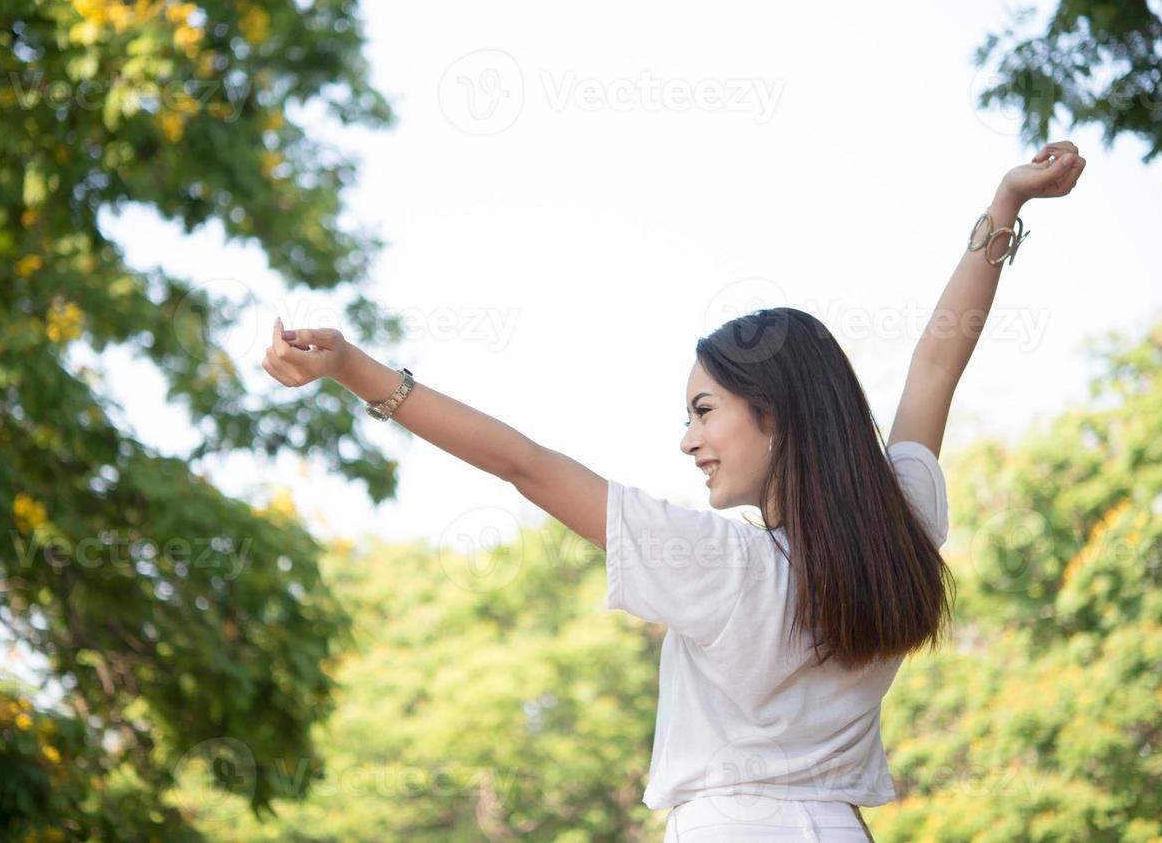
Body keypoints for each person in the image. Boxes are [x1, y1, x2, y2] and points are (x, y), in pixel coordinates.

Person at [261, 142, 1087, 840]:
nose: (687, 439)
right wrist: (1005, 206)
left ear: (774, 416)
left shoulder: (724, 565)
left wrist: (350, 367)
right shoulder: (902, 522)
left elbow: (526, 464)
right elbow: (937, 363)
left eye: (702, 411)